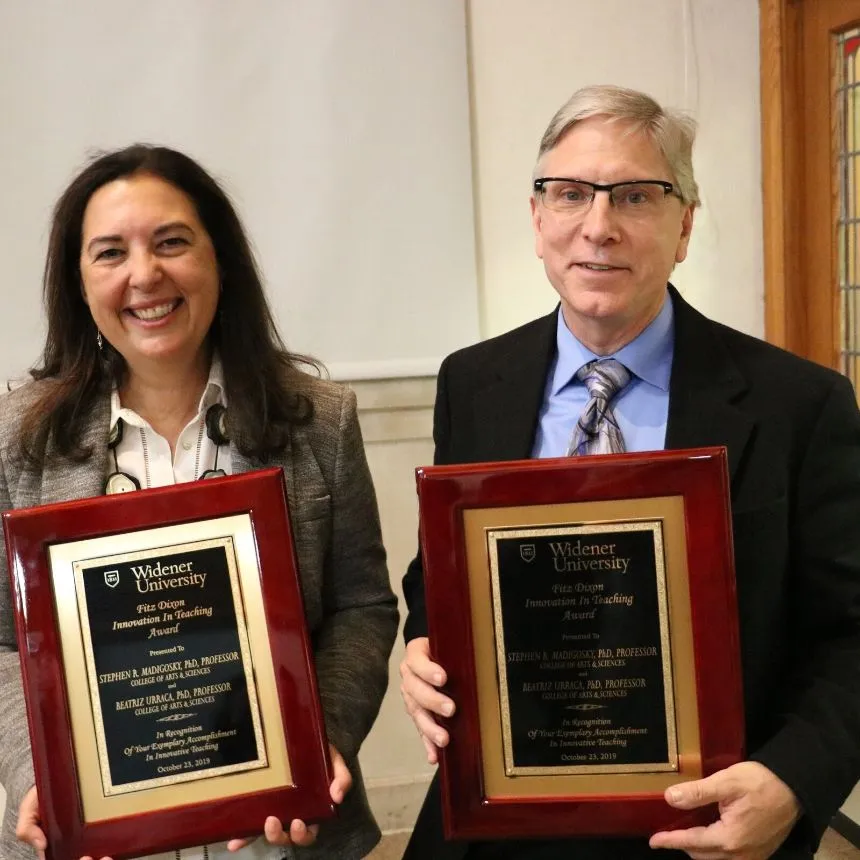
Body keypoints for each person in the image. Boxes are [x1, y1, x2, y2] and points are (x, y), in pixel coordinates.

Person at [399, 85, 860, 860]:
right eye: (570, 194)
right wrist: (422, 643)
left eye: (636, 197)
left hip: (708, 821)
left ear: (684, 226)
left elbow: (851, 632)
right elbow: (437, 575)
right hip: (502, 815)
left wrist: (792, 780)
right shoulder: (474, 383)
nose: (598, 226)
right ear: (538, 218)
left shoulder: (799, 404)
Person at [0, 144, 399, 860]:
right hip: (98, 837)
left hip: (281, 837)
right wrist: (40, 775)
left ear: (221, 260)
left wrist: (321, 738)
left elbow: (362, 607)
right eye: (110, 253)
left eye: (172, 243)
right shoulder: (17, 438)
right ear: (79, 282)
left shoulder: (320, 419)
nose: (145, 275)